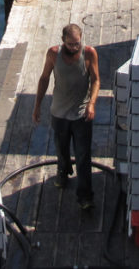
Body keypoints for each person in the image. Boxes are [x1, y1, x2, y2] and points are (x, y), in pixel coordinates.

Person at [33, 23, 100, 210]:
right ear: (63, 42)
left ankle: (85, 196)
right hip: (59, 114)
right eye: (70, 45)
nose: (74, 48)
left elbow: (95, 80)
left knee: (83, 156)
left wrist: (91, 103)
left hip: (81, 115)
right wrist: (37, 105)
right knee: (61, 149)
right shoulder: (53, 54)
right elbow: (44, 78)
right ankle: (63, 172)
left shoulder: (89, 54)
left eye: (77, 44)